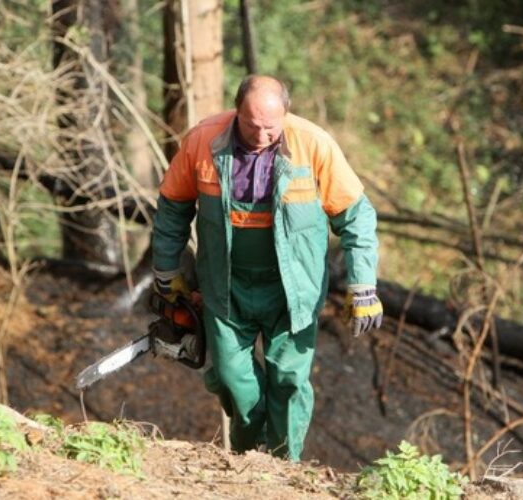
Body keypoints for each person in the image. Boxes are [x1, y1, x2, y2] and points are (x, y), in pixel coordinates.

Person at [150, 75, 382, 461]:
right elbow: (172, 208)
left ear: (286, 114)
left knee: (289, 382)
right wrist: (166, 270)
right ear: (236, 112)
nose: (260, 135)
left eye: (270, 128)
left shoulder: (314, 145)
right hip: (225, 286)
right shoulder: (203, 141)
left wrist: (364, 286)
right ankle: (247, 459)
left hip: (293, 290)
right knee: (232, 380)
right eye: (251, 125)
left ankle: (283, 467)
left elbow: (356, 217)